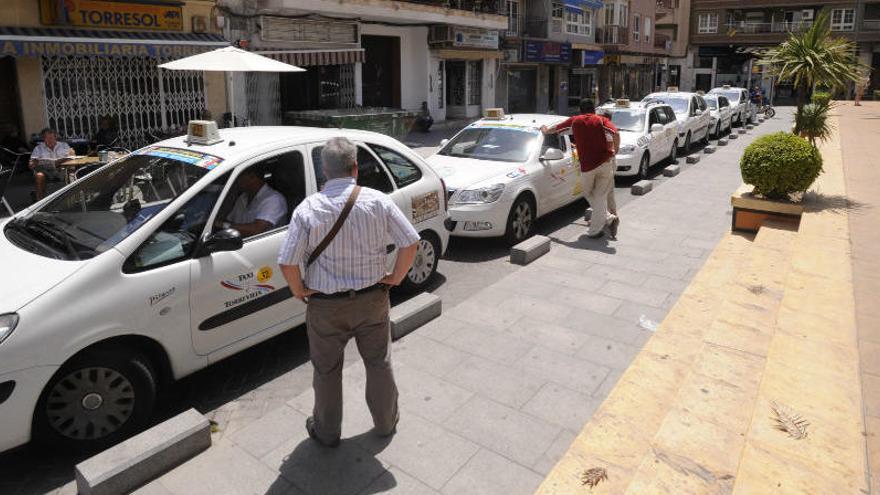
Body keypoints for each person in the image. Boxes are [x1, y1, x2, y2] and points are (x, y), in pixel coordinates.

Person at [277, 136, 419, 448]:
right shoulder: (377, 200)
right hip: (372, 300)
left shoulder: (308, 208)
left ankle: (327, 432)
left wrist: (299, 289)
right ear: (355, 168)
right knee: (378, 363)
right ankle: (385, 423)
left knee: (326, 371)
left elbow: (287, 262)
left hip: (326, 307)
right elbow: (410, 242)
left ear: (323, 171)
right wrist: (394, 278)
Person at [542, 98, 620, 239]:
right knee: (600, 196)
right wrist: (616, 150)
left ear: (580, 109)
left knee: (588, 193)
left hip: (588, 166)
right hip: (606, 163)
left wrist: (546, 130)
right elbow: (616, 133)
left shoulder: (575, 120)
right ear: (594, 109)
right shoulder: (601, 120)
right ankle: (608, 219)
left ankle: (598, 228)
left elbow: (557, 128)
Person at [218, 168, 288, 237]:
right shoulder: (243, 197)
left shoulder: (274, 200)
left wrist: (223, 225)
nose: (235, 180)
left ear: (252, 177)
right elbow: (230, 221)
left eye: (239, 176)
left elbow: (257, 230)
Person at [29, 128, 73, 201]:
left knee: (72, 173)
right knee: (39, 176)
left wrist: (68, 157)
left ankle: (73, 198)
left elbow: (71, 157)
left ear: (55, 137)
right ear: (43, 139)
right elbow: (31, 164)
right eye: (47, 138)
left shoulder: (64, 146)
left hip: (62, 171)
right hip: (46, 172)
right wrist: (36, 163)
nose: (50, 140)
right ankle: (40, 202)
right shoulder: (38, 148)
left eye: (51, 138)